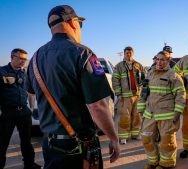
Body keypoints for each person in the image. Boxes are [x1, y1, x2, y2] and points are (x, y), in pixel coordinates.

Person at [25, 5, 120, 169]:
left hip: (50, 144)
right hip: (78, 148)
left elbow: (31, 93)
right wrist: (114, 138)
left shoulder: (35, 58)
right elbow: (97, 106)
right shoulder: (83, 54)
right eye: (80, 24)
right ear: (73, 23)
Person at [137, 51, 186, 169]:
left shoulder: (173, 76)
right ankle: (153, 161)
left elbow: (181, 96)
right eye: (157, 59)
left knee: (166, 142)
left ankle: (166, 163)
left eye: (162, 59)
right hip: (150, 114)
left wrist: (177, 114)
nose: (159, 62)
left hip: (167, 116)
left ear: (168, 61)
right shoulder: (150, 74)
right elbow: (144, 93)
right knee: (146, 138)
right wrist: (141, 108)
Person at [0, 48, 41, 169]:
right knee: (2, 143)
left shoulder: (25, 73)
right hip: (8, 112)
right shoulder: (2, 71)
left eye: (25, 59)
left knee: (26, 142)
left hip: (24, 111)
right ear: (12, 57)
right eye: (20, 58)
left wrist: (32, 108)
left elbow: (30, 92)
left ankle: (29, 165)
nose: (23, 61)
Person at [112, 46, 145, 144]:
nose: (128, 54)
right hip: (125, 96)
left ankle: (135, 134)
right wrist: (119, 93)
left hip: (137, 95)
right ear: (124, 54)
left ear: (133, 54)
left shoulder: (138, 65)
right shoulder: (119, 66)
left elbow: (145, 78)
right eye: (126, 53)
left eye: (130, 53)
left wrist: (143, 92)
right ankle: (123, 137)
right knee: (124, 116)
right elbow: (115, 80)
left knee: (137, 116)